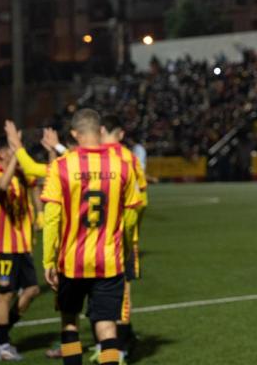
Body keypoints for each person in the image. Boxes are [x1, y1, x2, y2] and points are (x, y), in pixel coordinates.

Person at [40, 108, 142, 365]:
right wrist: (127, 248)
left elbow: (51, 218)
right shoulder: (122, 166)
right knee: (107, 326)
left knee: (69, 322)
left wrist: (48, 260)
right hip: (109, 260)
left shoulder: (60, 166)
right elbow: (131, 216)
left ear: (74, 133)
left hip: (71, 261)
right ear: (100, 131)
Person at [0, 141, 41, 361]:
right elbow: (1, 186)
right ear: (1, 154)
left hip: (22, 245)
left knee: (32, 290)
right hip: (1, 247)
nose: (18, 155)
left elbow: (36, 182)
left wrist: (40, 212)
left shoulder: (20, 174)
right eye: (12, 151)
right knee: (4, 295)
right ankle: (3, 347)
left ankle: (1, 330)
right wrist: (14, 163)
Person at [101, 116, 148, 359]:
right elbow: (141, 200)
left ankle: (111, 343)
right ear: (119, 133)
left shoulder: (88, 156)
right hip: (121, 238)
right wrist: (131, 232)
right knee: (121, 291)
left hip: (87, 241)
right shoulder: (128, 157)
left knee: (95, 293)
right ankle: (119, 344)